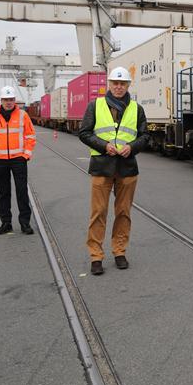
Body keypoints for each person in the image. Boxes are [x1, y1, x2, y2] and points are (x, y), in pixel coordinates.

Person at [78, 67, 149, 276]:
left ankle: (119, 252)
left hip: (127, 168)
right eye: (115, 83)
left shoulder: (137, 109)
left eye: (122, 84)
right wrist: (103, 145)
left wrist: (132, 147)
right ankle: (96, 256)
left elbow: (145, 136)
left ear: (128, 86)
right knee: (98, 212)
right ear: (109, 84)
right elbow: (84, 132)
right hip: (102, 166)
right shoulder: (95, 105)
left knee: (123, 213)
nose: (118, 87)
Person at [0, 86, 37, 235]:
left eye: (11, 99)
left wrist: (26, 154)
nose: (9, 102)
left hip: (18, 159)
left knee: (22, 191)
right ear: (1, 100)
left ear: (15, 101)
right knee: (3, 193)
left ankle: (25, 223)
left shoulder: (23, 115)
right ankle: (6, 223)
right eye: (6, 100)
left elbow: (30, 136)